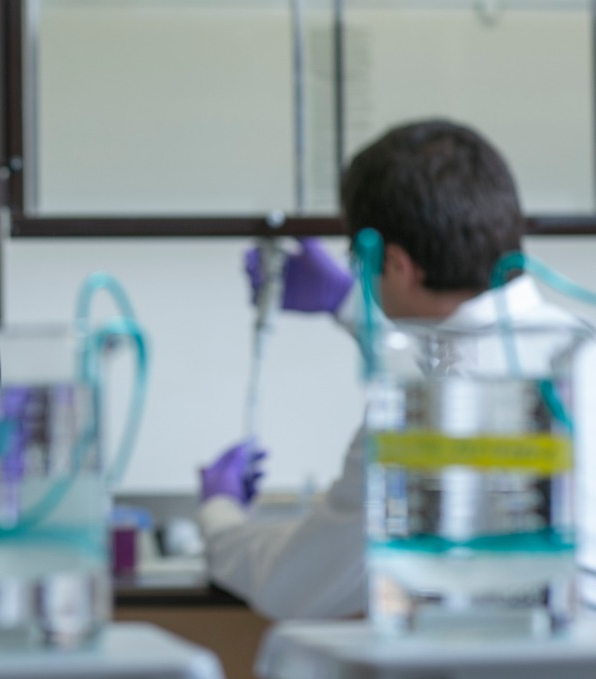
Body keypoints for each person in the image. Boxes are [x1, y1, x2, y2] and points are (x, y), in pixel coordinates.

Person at [196, 119, 583, 619]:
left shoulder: (418, 407)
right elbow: (455, 344)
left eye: (360, 258)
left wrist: (218, 511)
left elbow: (297, 586)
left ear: (398, 265)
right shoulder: (579, 346)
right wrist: (347, 301)